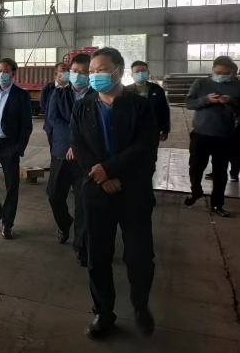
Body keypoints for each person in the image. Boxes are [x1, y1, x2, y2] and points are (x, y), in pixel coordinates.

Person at [70, 47, 158, 339]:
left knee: (139, 256)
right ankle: (103, 312)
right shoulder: (83, 106)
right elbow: (78, 144)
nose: (95, 76)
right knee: (98, 257)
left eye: (102, 70)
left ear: (119, 71)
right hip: (97, 192)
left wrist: (110, 170)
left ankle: (140, 305)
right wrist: (100, 175)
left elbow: (145, 148)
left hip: (133, 192)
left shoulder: (140, 106)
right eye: (92, 71)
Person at [46, 53, 93, 267]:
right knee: (54, 196)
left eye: (84, 72)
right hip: (61, 153)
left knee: (83, 204)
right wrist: (74, 141)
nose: (79, 75)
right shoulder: (59, 94)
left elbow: (93, 125)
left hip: (85, 158)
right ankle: (65, 224)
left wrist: (79, 146)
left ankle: (81, 246)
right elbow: (53, 119)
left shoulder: (95, 96)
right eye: (75, 71)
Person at [0, 58, 33, 240]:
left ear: (13, 74)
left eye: (6, 71)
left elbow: (26, 125)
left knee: (11, 186)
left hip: (9, 146)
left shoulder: (21, 95)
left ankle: (7, 224)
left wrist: (18, 147)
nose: (1, 74)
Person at [185, 56, 240, 217]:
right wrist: (206, 100)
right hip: (201, 133)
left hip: (225, 135)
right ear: (213, 69)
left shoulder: (237, 86)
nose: (222, 75)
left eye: (226, 73)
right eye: (219, 72)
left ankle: (217, 204)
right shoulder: (201, 83)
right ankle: (196, 190)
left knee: (220, 172)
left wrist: (230, 102)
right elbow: (189, 104)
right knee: (196, 167)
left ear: (232, 72)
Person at [124, 61, 171, 142]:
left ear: (148, 72)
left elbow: (164, 110)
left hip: (153, 131)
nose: (140, 73)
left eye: (143, 70)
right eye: (137, 71)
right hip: (132, 132)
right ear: (132, 74)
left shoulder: (157, 89)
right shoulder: (126, 91)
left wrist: (165, 130)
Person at [40, 62, 70, 146]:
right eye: (63, 70)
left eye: (68, 70)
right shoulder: (48, 88)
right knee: (55, 151)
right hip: (52, 127)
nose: (67, 72)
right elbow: (43, 105)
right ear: (56, 74)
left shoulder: (72, 88)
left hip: (69, 127)